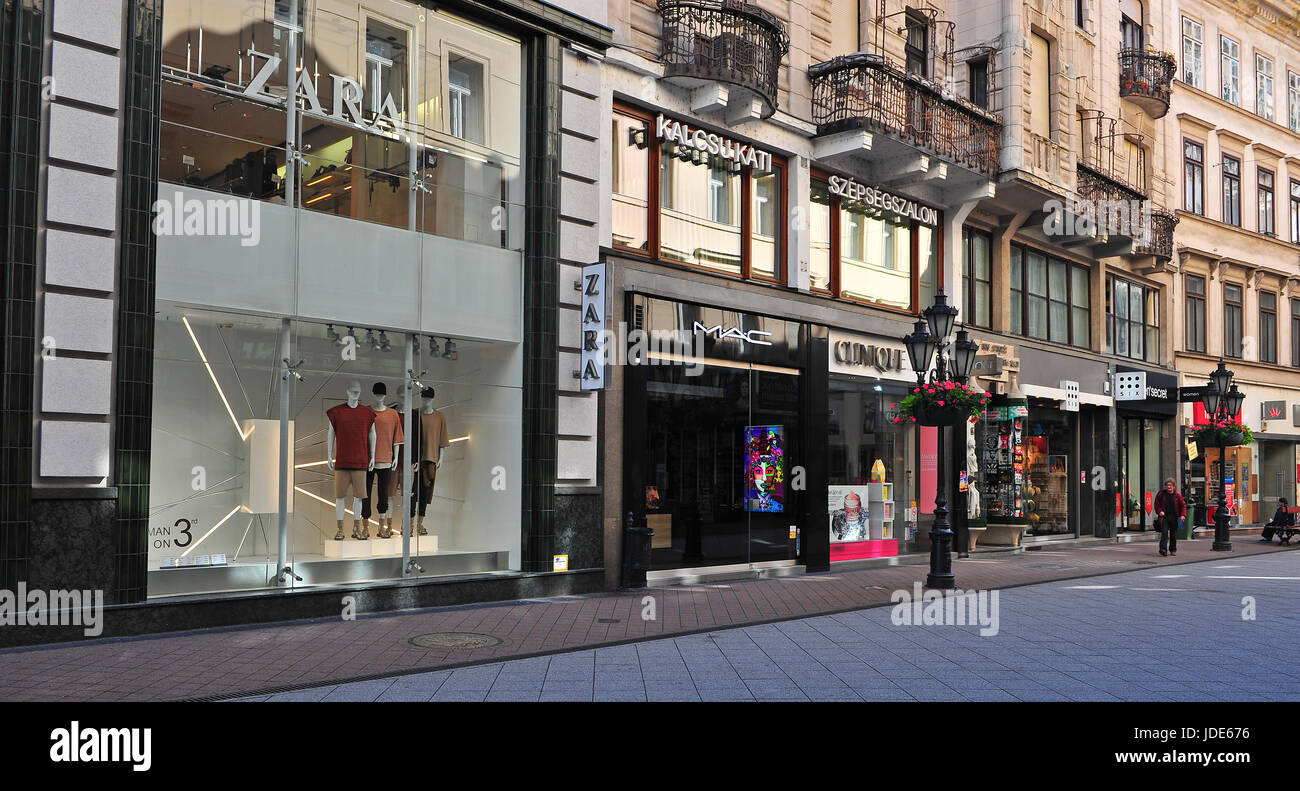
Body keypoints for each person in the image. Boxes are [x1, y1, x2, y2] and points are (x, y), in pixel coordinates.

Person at [1152, 477, 1186, 557]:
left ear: (1174, 486)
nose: (1168, 487)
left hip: (1175, 517)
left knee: (1173, 534)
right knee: (1164, 533)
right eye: (1167, 485)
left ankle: (1173, 549)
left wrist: (1183, 515)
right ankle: (1163, 549)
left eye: (1170, 485)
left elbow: (1183, 505)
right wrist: (1159, 511)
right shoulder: (1161, 494)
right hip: (1165, 517)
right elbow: (1156, 504)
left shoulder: (1177, 495)